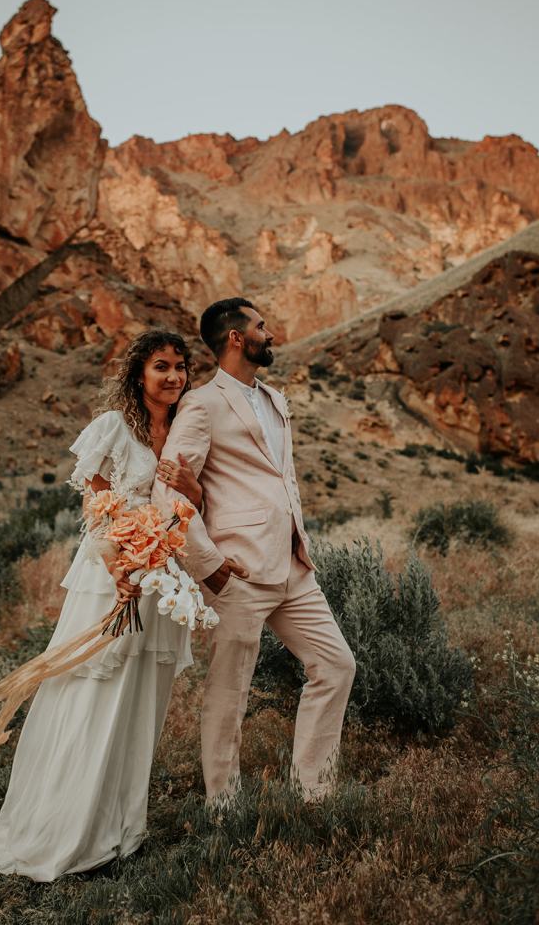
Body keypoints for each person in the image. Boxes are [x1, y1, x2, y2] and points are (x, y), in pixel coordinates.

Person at [0, 330, 202, 882]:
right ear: (139, 374)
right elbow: (95, 504)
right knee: (90, 690)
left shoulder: (186, 433)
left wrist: (183, 506)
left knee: (139, 701)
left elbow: (189, 506)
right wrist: (119, 563)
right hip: (109, 575)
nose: (175, 377)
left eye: (182, 367)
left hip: (159, 577)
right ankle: (63, 826)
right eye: (162, 366)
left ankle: (119, 831)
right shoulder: (114, 428)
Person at [152, 298, 356, 805]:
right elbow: (169, 491)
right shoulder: (202, 404)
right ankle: (223, 804)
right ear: (237, 338)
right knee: (229, 692)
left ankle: (314, 792)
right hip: (237, 571)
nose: (272, 333)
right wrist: (210, 566)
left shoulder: (273, 399)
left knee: (336, 665)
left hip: (292, 566)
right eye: (262, 326)